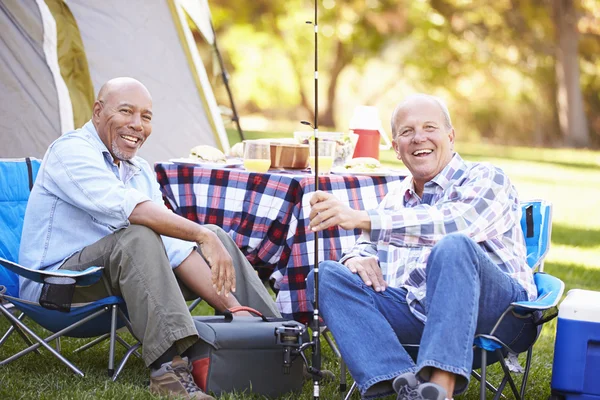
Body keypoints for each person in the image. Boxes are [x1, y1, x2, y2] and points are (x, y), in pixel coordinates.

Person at [19, 77, 280, 400]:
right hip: (58, 287)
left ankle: (277, 342)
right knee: (140, 236)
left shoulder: (138, 169)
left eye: (146, 116)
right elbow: (131, 211)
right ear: (98, 112)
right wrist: (197, 234)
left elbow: (173, 245)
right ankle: (168, 369)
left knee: (213, 236)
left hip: (121, 276)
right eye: (126, 112)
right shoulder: (70, 152)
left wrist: (233, 304)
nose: (136, 125)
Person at [306, 94, 538, 400]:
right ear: (396, 148)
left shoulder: (486, 177)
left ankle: (441, 389)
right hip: (416, 312)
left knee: (454, 246)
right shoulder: (394, 198)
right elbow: (364, 247)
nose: (419, 138)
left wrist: (361, 217)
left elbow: (455, 225)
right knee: (326, 276)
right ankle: (405, 383)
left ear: (450, 137)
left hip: (501, 314)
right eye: (406, 132)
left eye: (430, 127)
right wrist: (355, 260)